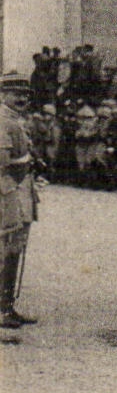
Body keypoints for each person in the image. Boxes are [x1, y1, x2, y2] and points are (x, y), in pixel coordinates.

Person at [0, 88, 39, 331]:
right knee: (6, 247)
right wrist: (26, 161)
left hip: (19, 187)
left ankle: (7, 306)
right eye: (15, 93)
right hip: (7, 189)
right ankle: (3, 311)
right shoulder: (3, 121)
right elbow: (2, 161)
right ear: (3, 94)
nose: (22, 98)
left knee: (15, 247)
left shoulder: (15, 119)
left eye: (25, 94)